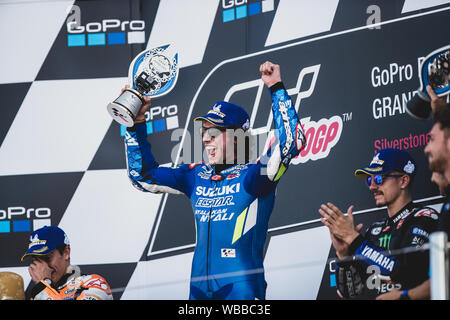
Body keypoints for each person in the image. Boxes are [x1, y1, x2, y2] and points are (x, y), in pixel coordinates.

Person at [123, 61, 305, 300]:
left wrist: (276, 87)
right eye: (203, 133)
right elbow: (142, 177)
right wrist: (135, 125)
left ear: (238, 137)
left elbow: (293, 142)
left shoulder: (254, 176)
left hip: (242, 293)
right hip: (197, 294)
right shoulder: (195, 176)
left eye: (214, 133)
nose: (206, 139)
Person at [318, 148, 439, 299]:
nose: (372, 186)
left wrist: (354, 239)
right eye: (370, 180)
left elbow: (407, 275)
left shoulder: (425, 218)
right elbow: (350, 292)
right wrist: (343, 255)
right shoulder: (375, 230)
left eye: (379, 179)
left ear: (403, 180)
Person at [21, 225, 113, 300]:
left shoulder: (93, 284)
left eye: (47, 258)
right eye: (36, 260)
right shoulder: (37, 294)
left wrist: (43, 287)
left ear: (66, 253)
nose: (43, 267)